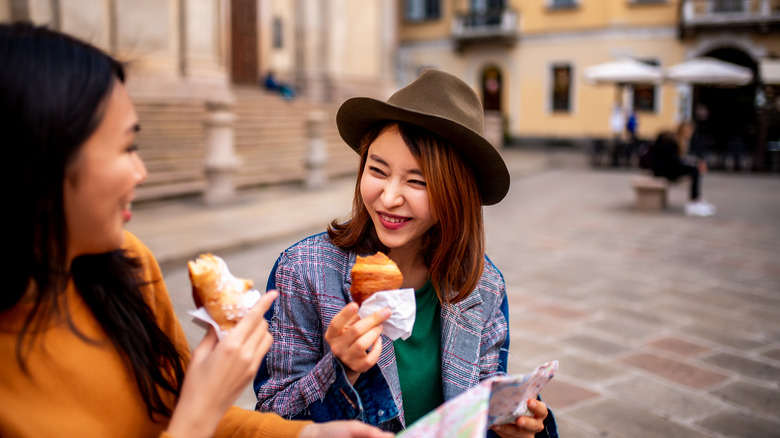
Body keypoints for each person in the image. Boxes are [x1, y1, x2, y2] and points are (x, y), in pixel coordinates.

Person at [0, 23, 390, 438]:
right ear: (38, 163)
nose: (141, 172)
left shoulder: (128, 265)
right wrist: (202, 409)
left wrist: (306, 436)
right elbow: (190, 416)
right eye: (126, 148)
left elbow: (171, 409)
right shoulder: (304, 266)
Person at [254, 69, 558, 438]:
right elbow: (271, 417)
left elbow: (480, 403)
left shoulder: (483, 285)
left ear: (457, 193)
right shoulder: (302, 271)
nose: (389, 197)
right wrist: (340, 370)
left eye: (418, 181)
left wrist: (515, 425)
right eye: (377, 170)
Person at [649, 129, 716, 217]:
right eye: (689, 131)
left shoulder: (674, 142)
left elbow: (676, 160)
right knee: (694, 171)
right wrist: (692, 163)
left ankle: (696, 200)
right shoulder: (674, 143)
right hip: (664, 171)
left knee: (694, 170)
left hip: (663, 170)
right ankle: (694, 202)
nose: (690, 133)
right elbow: (675, 162)